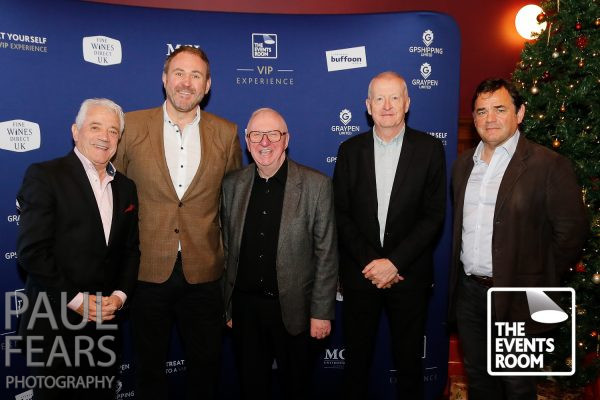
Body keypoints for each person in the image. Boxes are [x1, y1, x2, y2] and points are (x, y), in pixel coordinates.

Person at [113, 46, 242, 399]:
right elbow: (112, 196)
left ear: (207, 85)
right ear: (164, 79)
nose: (187, 83)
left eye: (196, 75)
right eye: (179, 73)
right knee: (148, 371)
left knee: (205, 371)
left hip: (205, 274)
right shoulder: (130, 125)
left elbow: (233, 203)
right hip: (146, 271)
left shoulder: (226, 133)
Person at [448, 78, 588, 399]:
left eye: (500, 109)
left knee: (517, 384)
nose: (490, 118)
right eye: (481, 111)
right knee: (479, 379)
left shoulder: (548, 165)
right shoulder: (462, 165)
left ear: (520, 113)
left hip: (520, 296)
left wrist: (535, 275)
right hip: (470, 294)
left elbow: (571, 234)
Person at [16, 98, 140, 400]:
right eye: (95, 127)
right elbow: (33, 251)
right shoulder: (45, 175)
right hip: (54, 326)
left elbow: (130, 250)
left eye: (113, 131)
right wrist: (75, 300)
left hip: (105, 327)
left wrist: (119, 297)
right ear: (76, 131)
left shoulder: (126, 187)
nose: (105, 137)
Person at [333, 71, 446, 399]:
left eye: (394, 97)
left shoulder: (430, 149)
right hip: (361, 275)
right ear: (368, 106)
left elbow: (433, 216)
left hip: (408, 276)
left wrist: (394, 263)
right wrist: (372, 263)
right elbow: (340, 213)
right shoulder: (349, 150)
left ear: (407, 103)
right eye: (379, 98)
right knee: (356, 366)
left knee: (409, 367)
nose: (387, 106)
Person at [221, 108, 338, 400]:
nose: (265, 142)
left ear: (286, 139)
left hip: (295, 312)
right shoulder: (232, 185)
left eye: (273, 134)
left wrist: (321, 312)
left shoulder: (316, 185)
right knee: (251, 389)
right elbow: (226, 247)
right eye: (256, 135)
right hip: (246, 311)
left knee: (296, 389)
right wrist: (228, 307)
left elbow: (326, 254)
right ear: (247, 140)